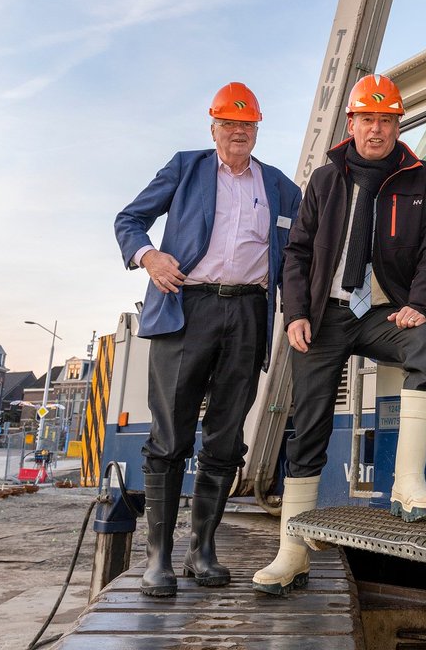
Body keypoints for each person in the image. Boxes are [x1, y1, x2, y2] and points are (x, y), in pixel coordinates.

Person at [253, 73, 426, 596]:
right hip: (324, 315)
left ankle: (407, 486)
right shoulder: (324, 180)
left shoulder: (423, 179)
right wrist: (295, 312)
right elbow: (296, 253)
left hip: (383, 313)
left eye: (387, 120)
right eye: (368, 119)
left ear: (397, 123)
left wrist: (420, 305)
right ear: (352, 123)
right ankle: (291, 553)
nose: (377, 130)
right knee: (310, 423)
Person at [114, 82, 301, 597]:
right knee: (170, 437)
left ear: (257, 129)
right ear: (213, 127)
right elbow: (129, 219)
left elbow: (301, 254)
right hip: (186, 310)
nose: (238, 132)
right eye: (229, 124)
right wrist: (149, 257)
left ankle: (202, 549)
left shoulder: (282, 187)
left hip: (248, 312)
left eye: (247, 125)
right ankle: (158, 559)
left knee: (226, 437)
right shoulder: (186, 167)